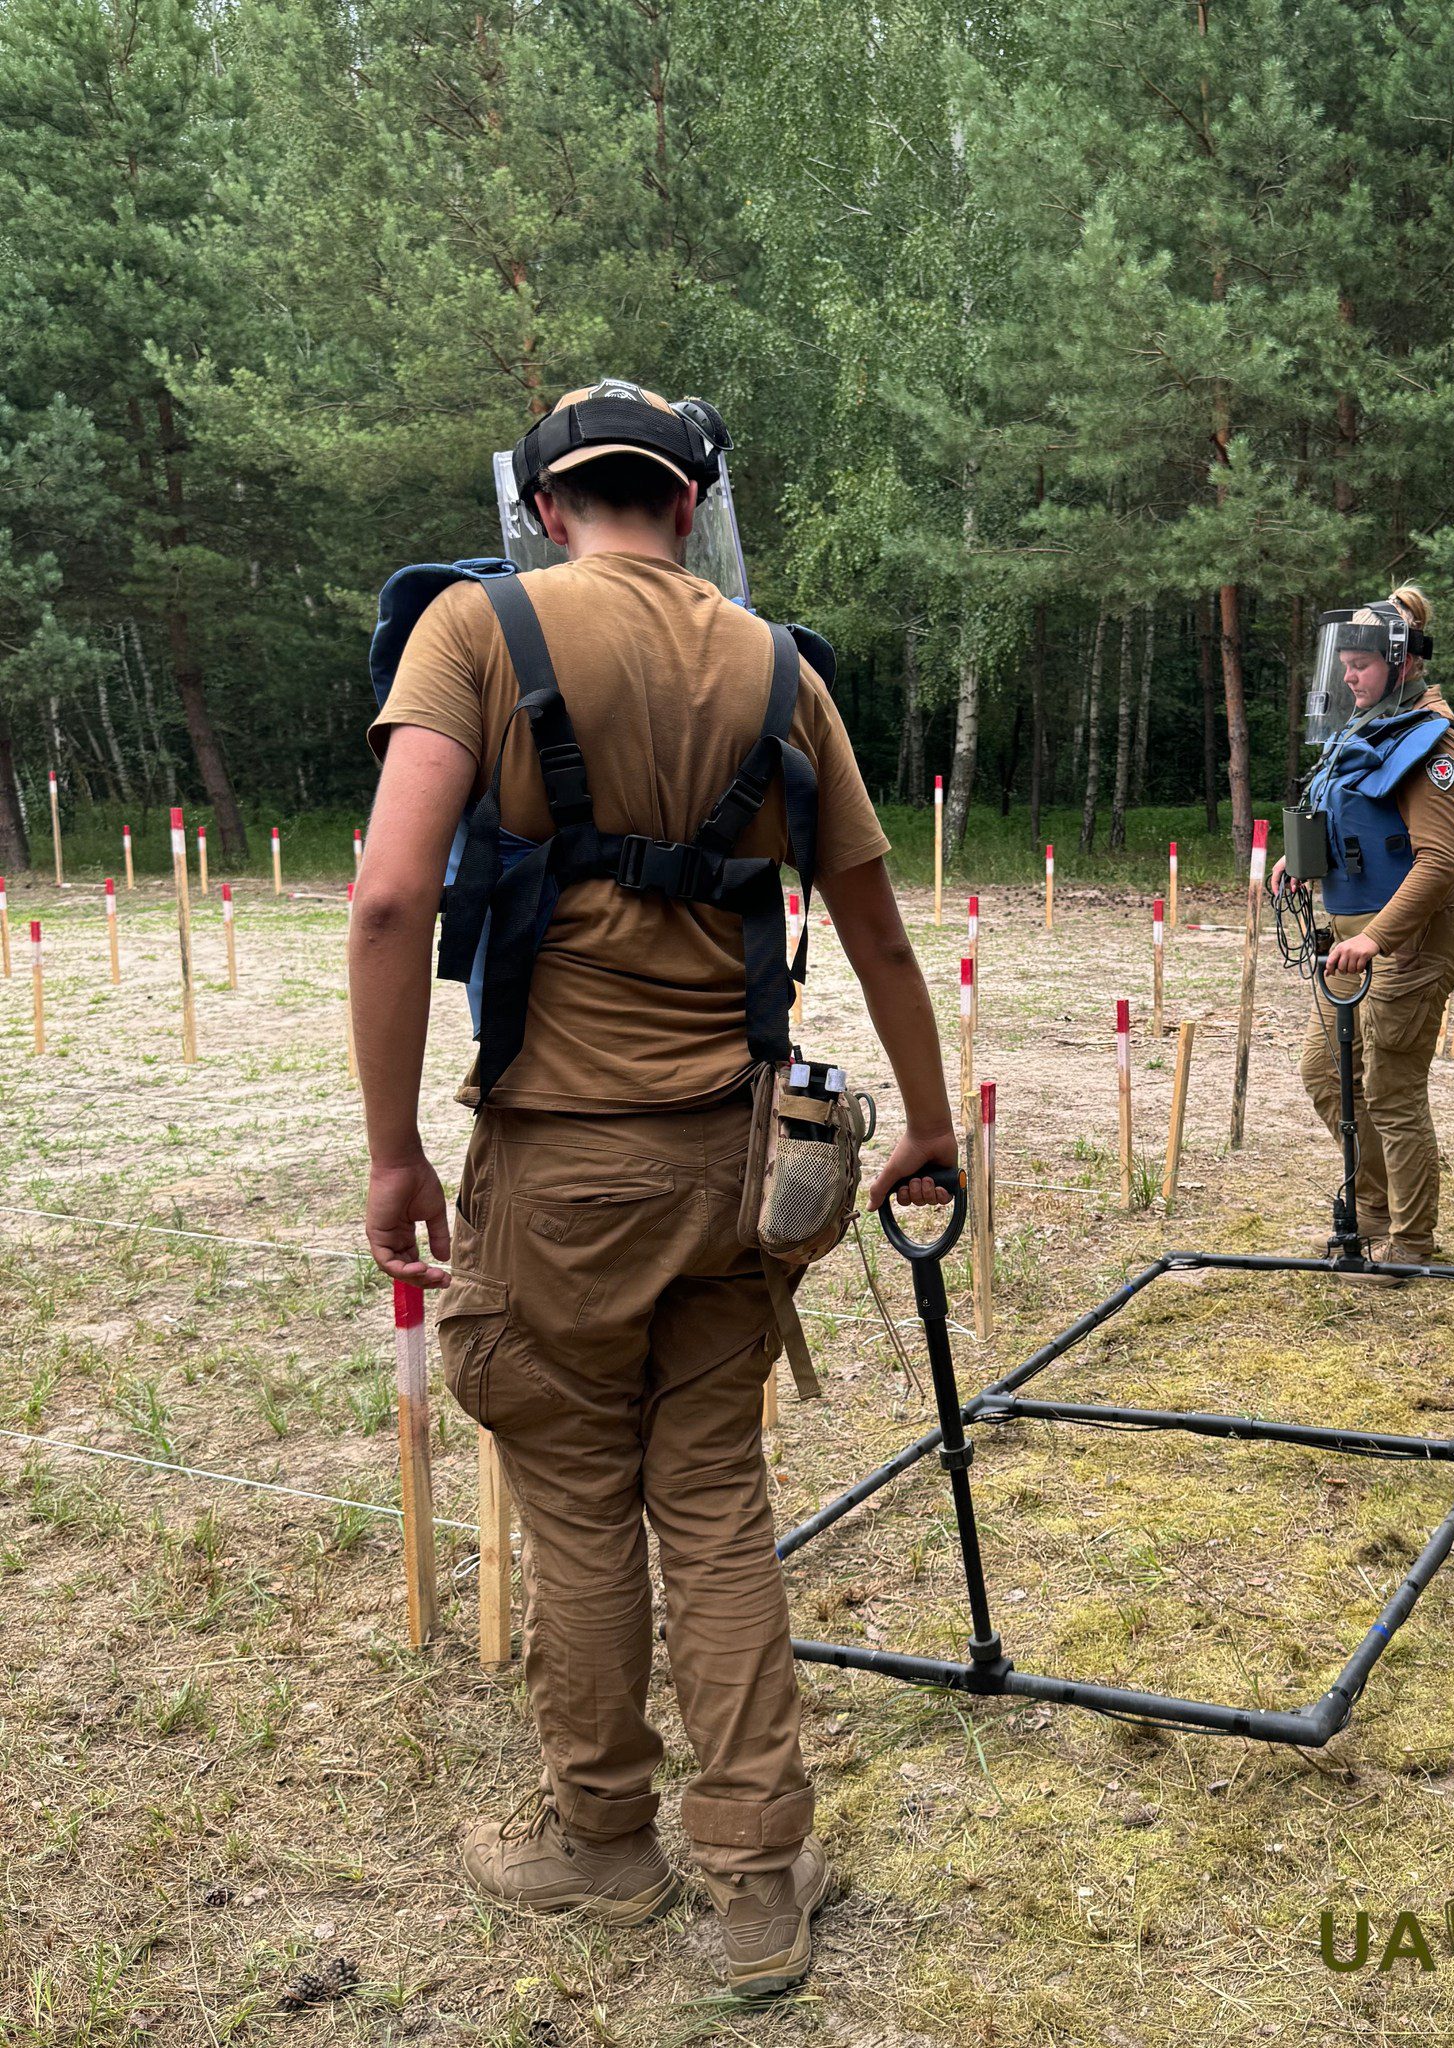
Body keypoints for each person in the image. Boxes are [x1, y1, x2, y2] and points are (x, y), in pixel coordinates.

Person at [349, 380, 956, 1997]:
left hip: (558, 1171)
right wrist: (934, 1123)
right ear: (686, 504)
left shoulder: (477, 635)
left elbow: (393, 892)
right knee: (712, 1504)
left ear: (548, 506)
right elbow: (878, 925)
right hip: (744, 1167)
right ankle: (759, 1877)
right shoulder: (780, 669)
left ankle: (605, 1837)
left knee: (576, 1509)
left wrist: (395, 1146)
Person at [1271, 586, 1454, 1270]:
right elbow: (1353, 823)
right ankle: (1372, 1210)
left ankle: (1411, 1242)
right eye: (1345, 662)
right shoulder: (1361, 731)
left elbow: (1440, 862)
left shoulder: (1434, 742)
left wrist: (1375, 939)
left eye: (1361, 664)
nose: (1348, 675)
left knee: (1391, 1088)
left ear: (1403, 664)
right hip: (1352, 939)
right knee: (1326, 1076)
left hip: (1410, 938)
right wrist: (1300, 861)